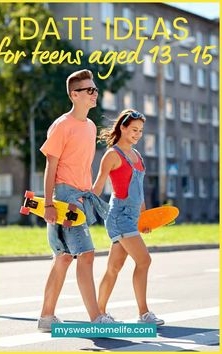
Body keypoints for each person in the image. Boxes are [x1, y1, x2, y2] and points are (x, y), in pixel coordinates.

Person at [38, 69, 118, 332]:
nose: (95, 93)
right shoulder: (62, 125)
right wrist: (49, 203)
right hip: (64, 196)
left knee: (62, 257)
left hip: (81, 196)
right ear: (75, 94)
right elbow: (51, 166)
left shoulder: (90, 126)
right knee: (86, 254)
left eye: (95, 89)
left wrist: (91, 194)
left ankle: (46, 317)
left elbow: (84, 165)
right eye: (89, 90)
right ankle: (96, 317)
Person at [92, 109, 164, 325]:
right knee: (144, 260)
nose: (137, 134)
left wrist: (144, 218)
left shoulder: (138, 156)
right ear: (122, 128)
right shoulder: (112, 155)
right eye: (134, 129)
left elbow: (139, 190)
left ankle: (99, 313)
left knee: (113, 268)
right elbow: (97, 186)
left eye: (140, 131)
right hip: (118, 217)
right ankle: (144, 314)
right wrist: (81, 206)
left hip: (132, 218)